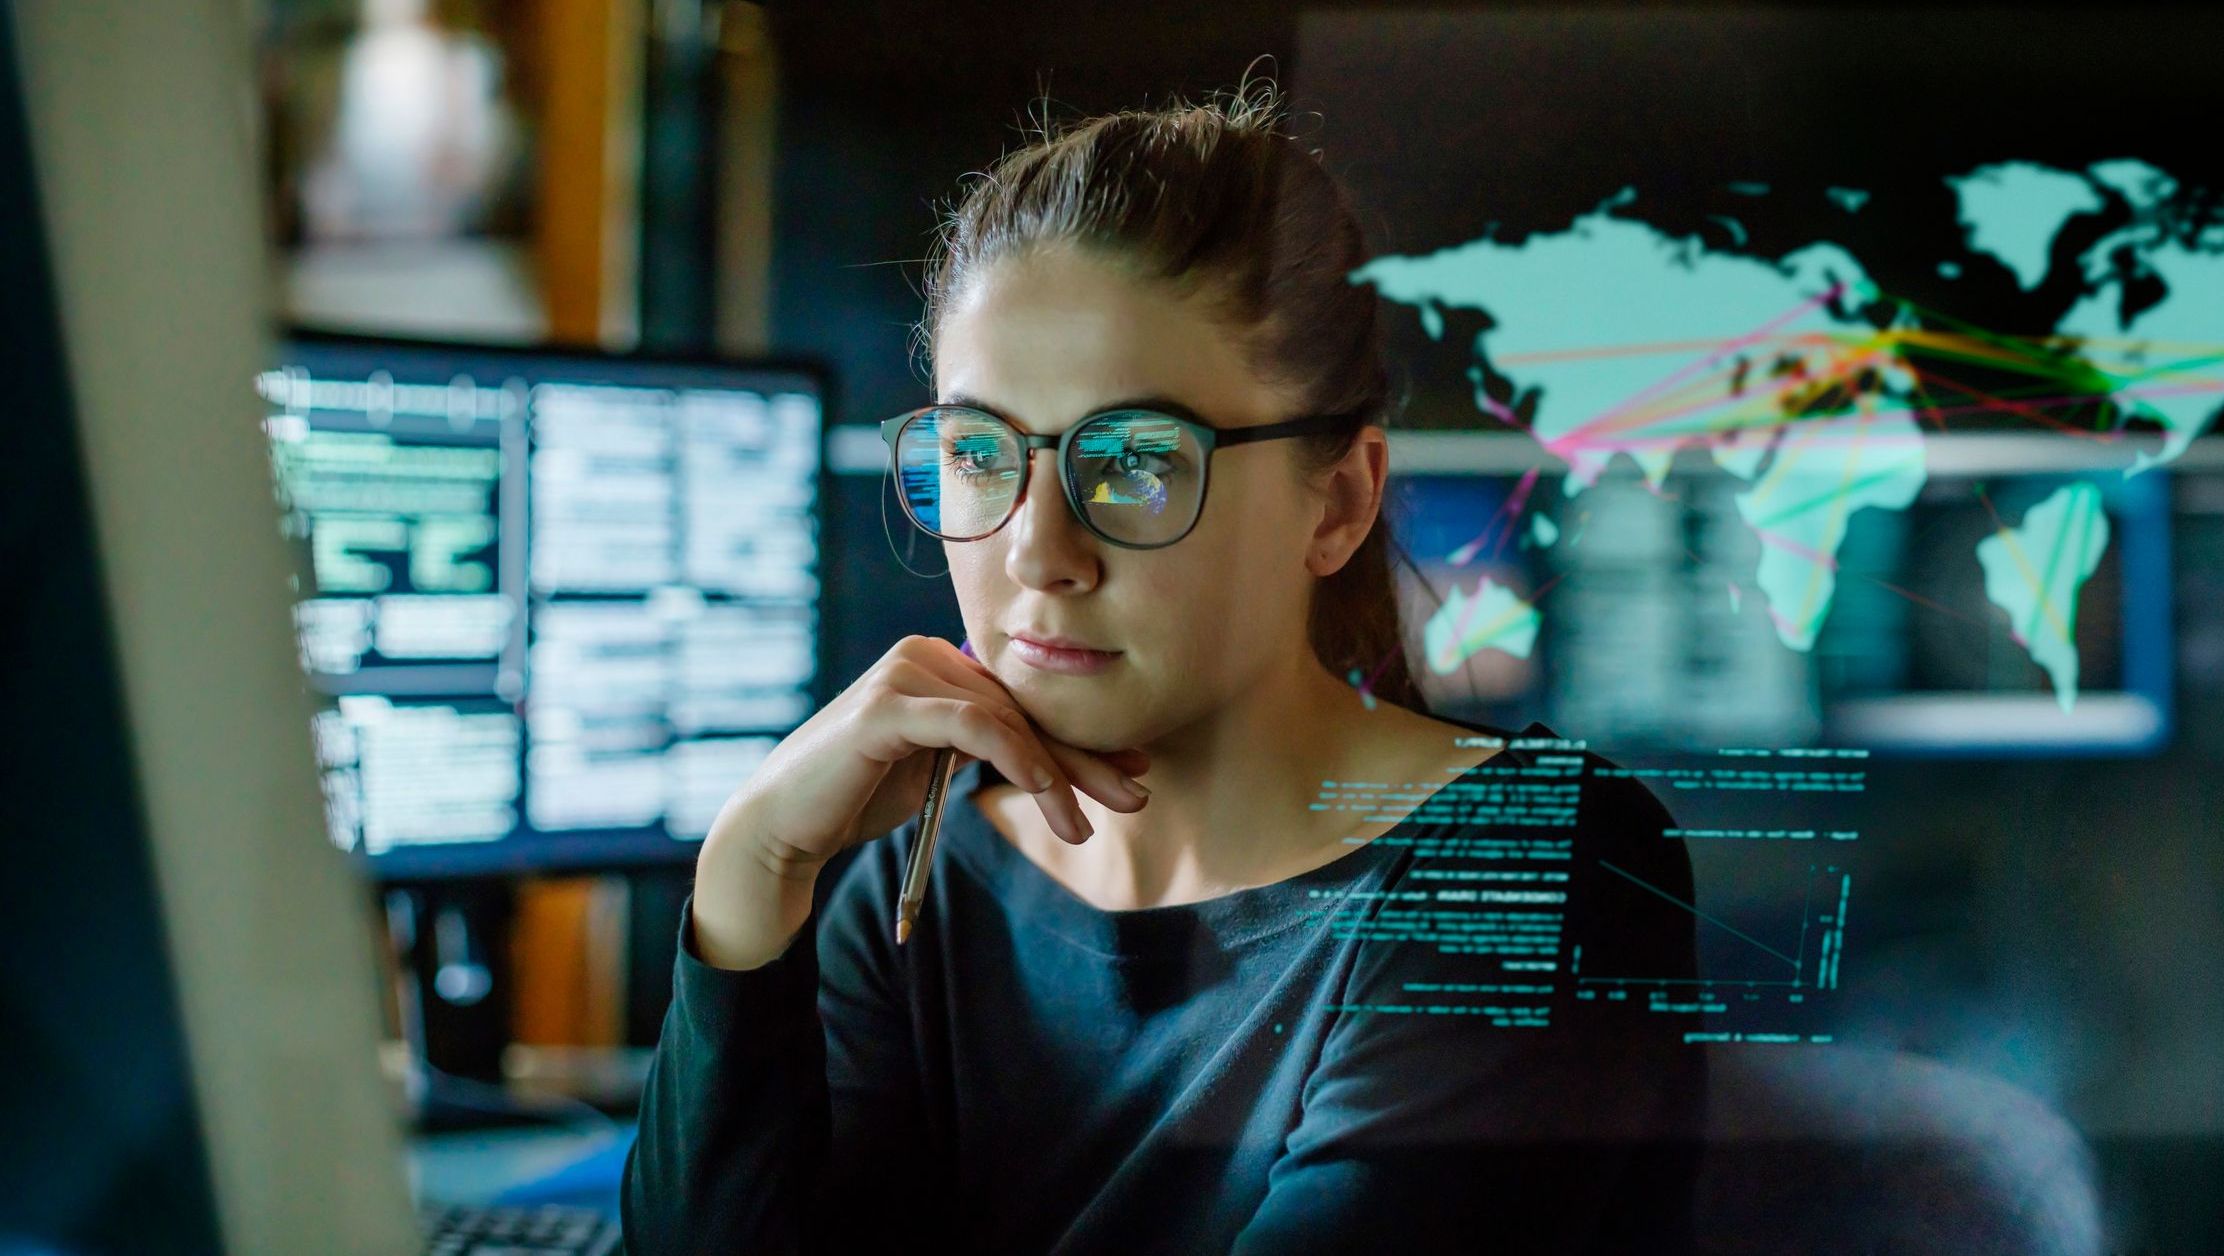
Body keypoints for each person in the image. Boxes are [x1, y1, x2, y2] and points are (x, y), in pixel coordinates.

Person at [621, 74, 1706, 1254]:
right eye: (979, 453)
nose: (1039, 551)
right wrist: (749, 866)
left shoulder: (1534, 867)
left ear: (1335, 501)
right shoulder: (913, 886)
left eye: (1138, 462)